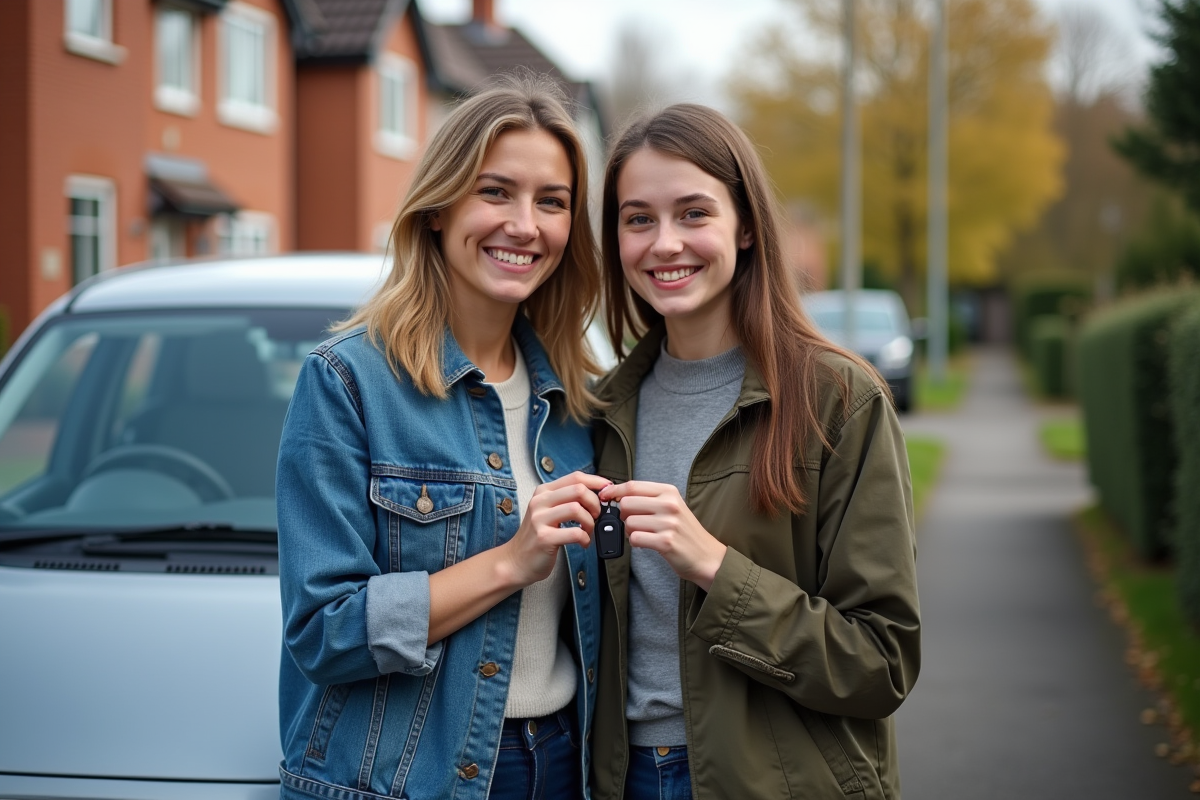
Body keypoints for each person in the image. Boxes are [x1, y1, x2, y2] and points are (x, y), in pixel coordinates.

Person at [275, 75, 611, 800]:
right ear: (437, 209)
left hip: (559, 762)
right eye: (495, 192)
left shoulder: (580, 399)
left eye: (551, 202)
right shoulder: (347, 383)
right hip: (409, 778)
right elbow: (322, 630)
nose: (524, 224)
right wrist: (510, 561)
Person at [589, 104, 921, 800]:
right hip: (622, 781)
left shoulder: (838, 400)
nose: (664, 243)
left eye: (693, 213)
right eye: (638, 218)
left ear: (744, 226)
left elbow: (881, 661)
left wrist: (712, 566)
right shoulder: (596, 412)